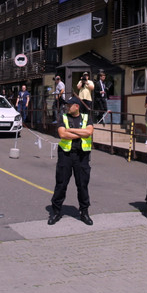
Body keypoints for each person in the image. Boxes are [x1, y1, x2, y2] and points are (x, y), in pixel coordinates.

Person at [48, 96, 94, 226]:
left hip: (82, 156)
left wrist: (72, 130)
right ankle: (56, 212)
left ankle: (84, 212)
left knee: (82, 185)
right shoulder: (63, 117)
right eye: (66, 105)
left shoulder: (86, 117)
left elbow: (89, 132)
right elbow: (63, 134)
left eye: (69, 105)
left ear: (77, 106)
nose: (67, 107)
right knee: (61, 184)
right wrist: (81, 132)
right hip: (66, 155)